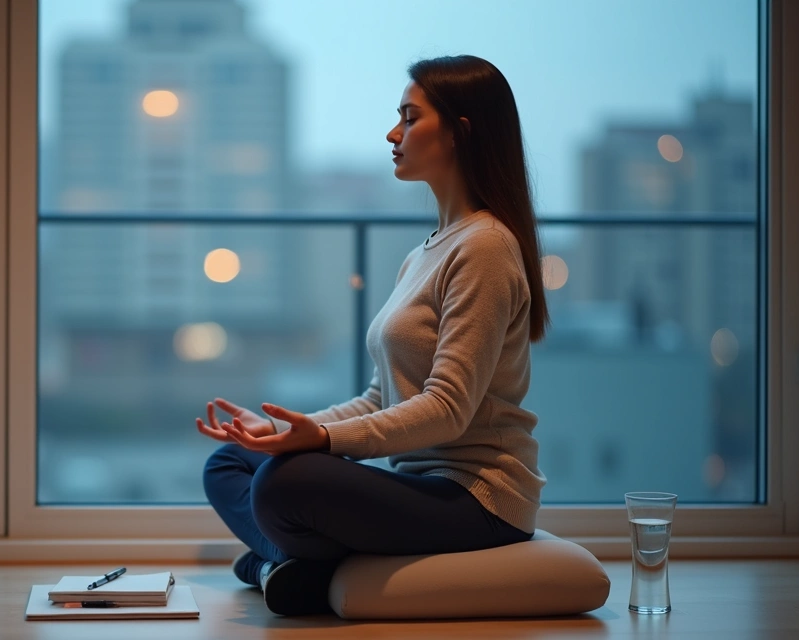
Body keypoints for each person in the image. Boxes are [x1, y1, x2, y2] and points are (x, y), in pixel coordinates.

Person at [197, 55, 550, 617]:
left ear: (460, 133)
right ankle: (281, 565)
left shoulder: (484, 247)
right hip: (419, 484)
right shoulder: (424, 252)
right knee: (231, 463)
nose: (393, 133)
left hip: (475, 498)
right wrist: (287, 428)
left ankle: (276, 562)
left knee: (282, 486)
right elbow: (381, 398)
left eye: (410, 118)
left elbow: (449, 410)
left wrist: (321, 442)